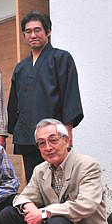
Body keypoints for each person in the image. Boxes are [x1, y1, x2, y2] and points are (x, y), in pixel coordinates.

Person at [8, 11, 83, 183]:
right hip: (27, 134)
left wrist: (67, 131)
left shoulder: (61, 58)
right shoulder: (21, 67)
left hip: (53, 134)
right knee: (35, 181)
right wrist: (13, 129)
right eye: (28, 31)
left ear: (48, 31)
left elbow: (70, 95)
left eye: (38, 30)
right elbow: (15, 102)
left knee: (59, 181)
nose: (33, 35)